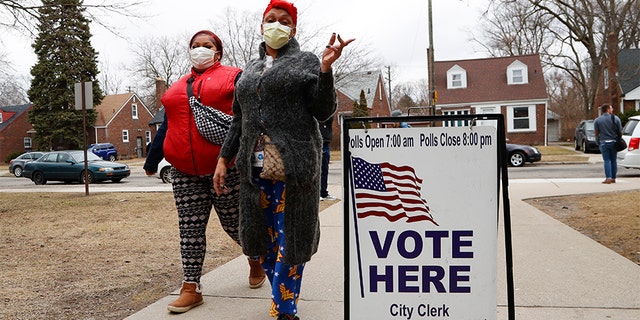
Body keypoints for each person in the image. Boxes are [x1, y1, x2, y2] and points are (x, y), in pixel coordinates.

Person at [213, 1, 353, 319]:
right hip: (254, 170)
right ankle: (282, 298)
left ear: (293, 29)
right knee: (261, 241)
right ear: (262, 26)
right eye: (271, 19)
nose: (277, 24)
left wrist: (326, 70)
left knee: (291, 238)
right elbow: (238, 119)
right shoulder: (249, 70)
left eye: (284, 20)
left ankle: (284, 309)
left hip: (294, 168)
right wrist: (224, 158)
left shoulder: (306, 62)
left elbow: (323, 109)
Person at [143, 29, 265, 314]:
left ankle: (256, 258)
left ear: (217, 52)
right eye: (195, 46)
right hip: (184, 171)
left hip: (225, 169)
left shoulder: (234, 77)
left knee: (235, 225)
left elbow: (250, 117)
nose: (200, 49)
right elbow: (167, 127)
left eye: (206, 45)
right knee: (190, 230)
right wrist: (152, 161)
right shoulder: (176, 88)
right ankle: (191, 287)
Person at [593, 103, 623, 184]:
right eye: (611, 108)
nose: (612, 110)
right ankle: (613, 178)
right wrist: (619, 139)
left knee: (607, 160)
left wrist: (598, 142)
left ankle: (608, 178)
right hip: (614, 142)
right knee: (613, 160)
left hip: (604, 142)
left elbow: (596, 133)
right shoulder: (616, 119)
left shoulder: (597, 120)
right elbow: (620, 131)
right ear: (608, 109)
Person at [319, 115, 337, 201]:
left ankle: (323, 192)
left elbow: (329, 117)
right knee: (317, 170)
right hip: (317, 142)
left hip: (326, 143)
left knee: (324, 169)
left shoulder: (328, 112)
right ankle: (317, 193)